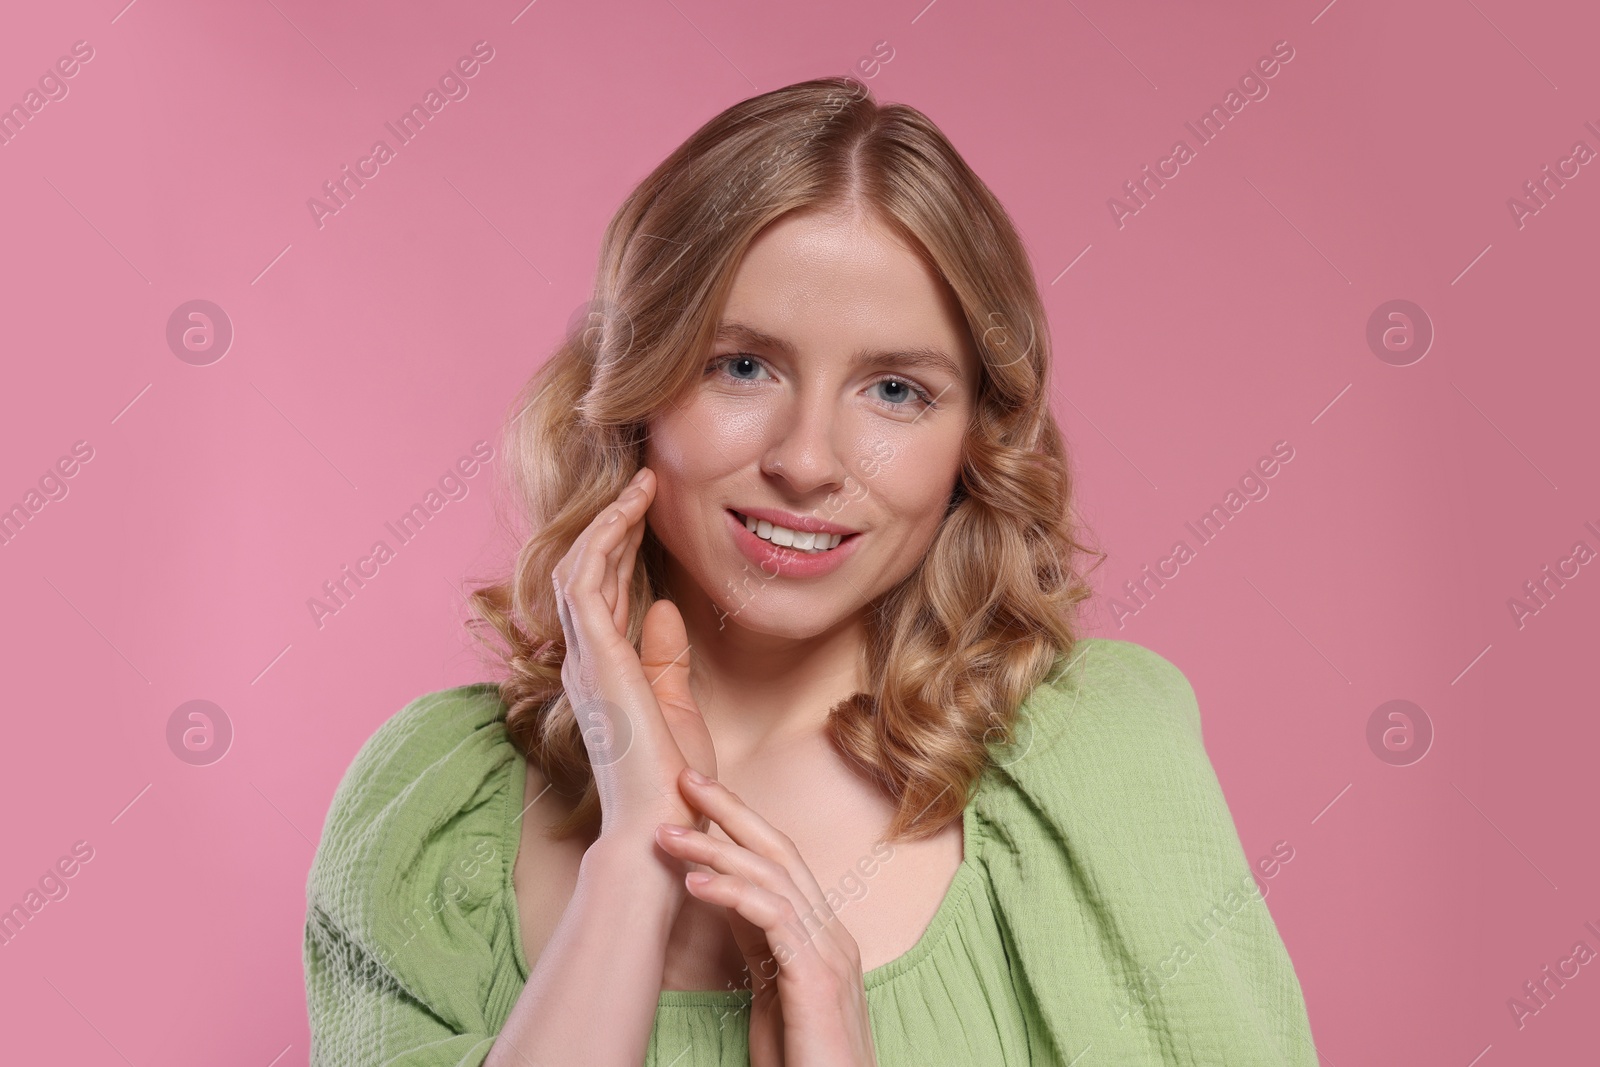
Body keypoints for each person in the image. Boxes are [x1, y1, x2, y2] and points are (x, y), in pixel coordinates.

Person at [303, 75, 1320, 1066]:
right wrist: (630, 862)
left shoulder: (1096, 763)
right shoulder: (434, 808)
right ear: (635, 390)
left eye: (894, 389)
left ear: (975, 435)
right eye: (741, 364)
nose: (806, 459)